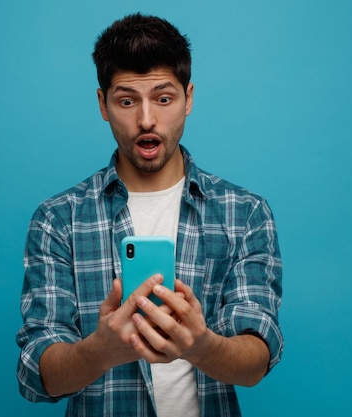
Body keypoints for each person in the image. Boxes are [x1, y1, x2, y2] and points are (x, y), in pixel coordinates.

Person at [16, 13, 283, 417]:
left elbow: (256, 361)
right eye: (126, 100)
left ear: (188, 98)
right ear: (103, 104)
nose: (146, 120)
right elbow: (36, 374)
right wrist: (99, 351)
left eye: (163, 98)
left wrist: (201, 345)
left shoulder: (244, 214)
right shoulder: (58, 220)